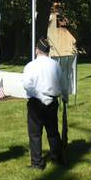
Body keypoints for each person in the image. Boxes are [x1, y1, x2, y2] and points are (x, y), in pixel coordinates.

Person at [21, 38, 67, 170]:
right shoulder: (55, 65)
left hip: (36, 102)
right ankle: (56, 158)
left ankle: (37, 162)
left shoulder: (30, 65)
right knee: (53, 132)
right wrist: (64, 96)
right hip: (52, 101)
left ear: (37, 50)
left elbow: (27, 85)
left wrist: (40, 96)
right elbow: (63, 83)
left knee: (35, 133)